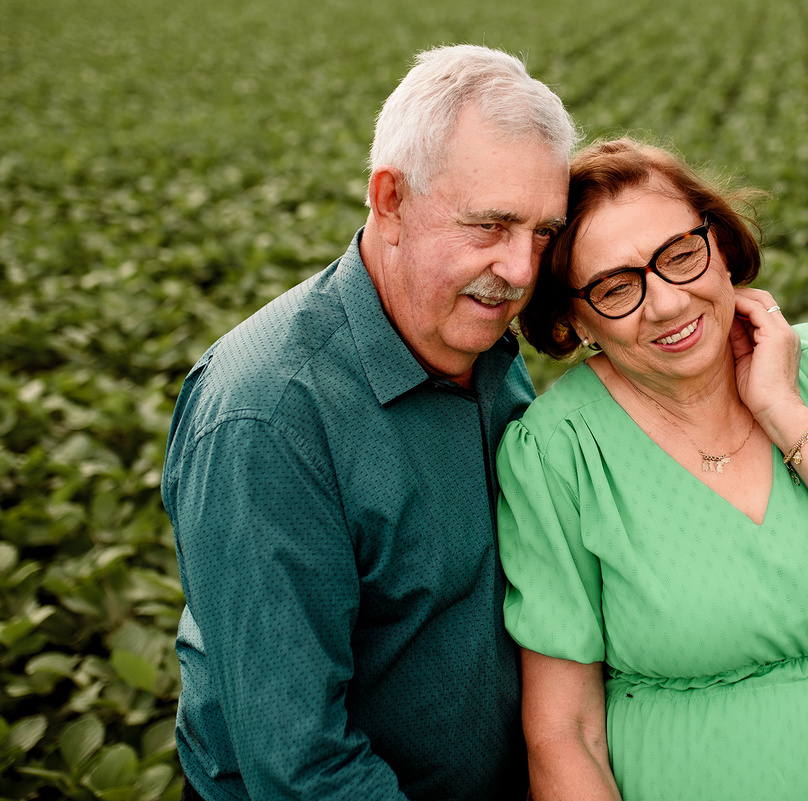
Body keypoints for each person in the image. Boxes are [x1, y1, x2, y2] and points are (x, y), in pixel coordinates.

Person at [495, 139, 808, 800]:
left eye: (679, 255)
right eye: (616, 286)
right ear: (577, 317)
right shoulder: (559, 452)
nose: (667, 304)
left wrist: (784, 409)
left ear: (721, 244)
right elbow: (565, 731)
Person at [160, 45, 573, 801]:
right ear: (390, 200)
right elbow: (302, 767)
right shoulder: (268, 418)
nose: (520, 270)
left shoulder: (480, 338)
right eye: (489, 224)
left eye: (543, 232)